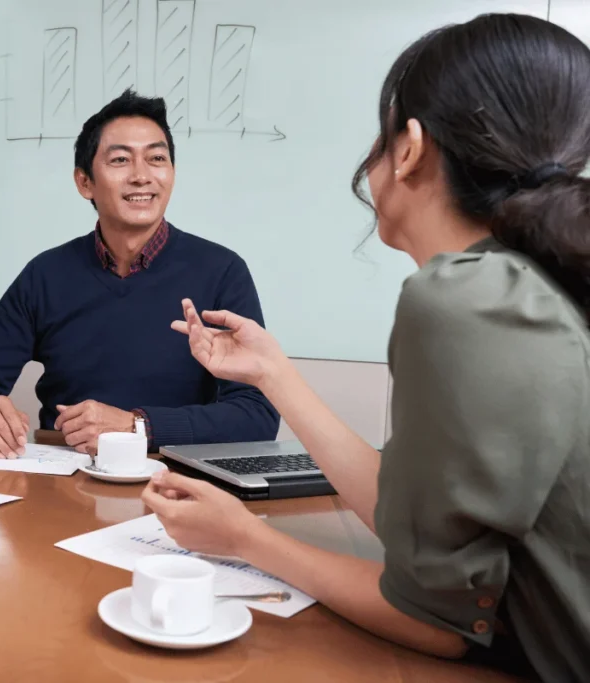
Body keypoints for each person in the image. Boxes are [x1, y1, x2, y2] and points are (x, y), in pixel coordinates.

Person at [142, 14, 590, 681]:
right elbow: (423, 528)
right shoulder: (528, 285)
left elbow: (438, 622)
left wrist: (246, 539)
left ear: (409, 146)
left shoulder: (466, 298)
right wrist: (273, 373)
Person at [0, 89, 278, 458]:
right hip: (65, 483)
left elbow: (257, 414)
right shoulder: (46, 275)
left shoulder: (222, 271)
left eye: (157, 158)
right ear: (85, 182)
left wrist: (136, 427)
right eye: (120, 160)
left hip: (179, 483)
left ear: (172, 174)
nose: (141, 176)